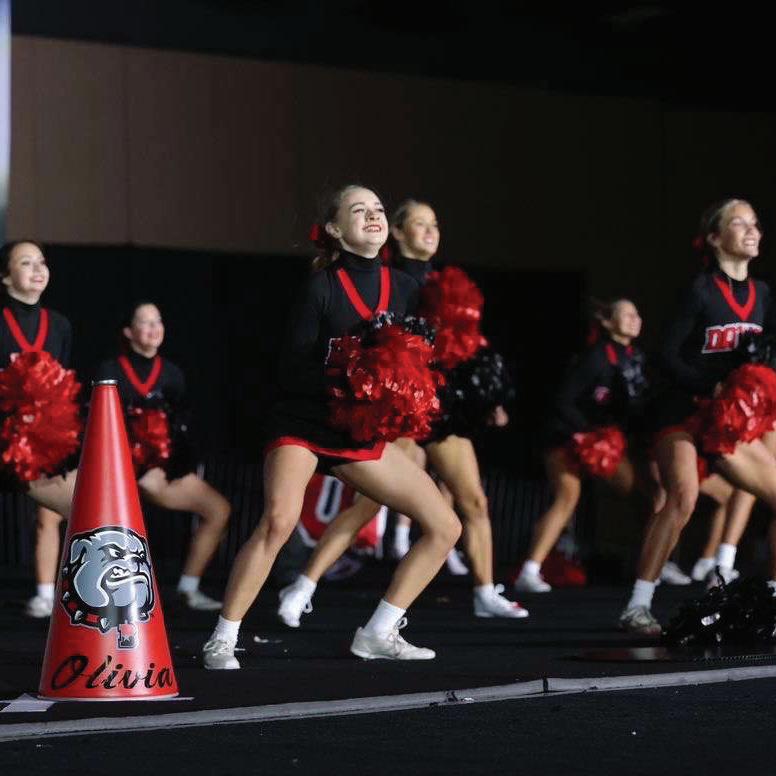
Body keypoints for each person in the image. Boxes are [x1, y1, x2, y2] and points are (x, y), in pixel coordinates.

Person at [202, 185, 461, 669]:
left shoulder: (405, 286)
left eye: (378, 209)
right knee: (279, 521)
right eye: (359, 210)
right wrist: (355, 376)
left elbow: (413, 359)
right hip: (304, 424)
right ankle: (223, 637)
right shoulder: (319, 287)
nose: (373, 215)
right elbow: (290, 371)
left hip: (355, 432)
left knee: (445, 526)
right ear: (337, 230)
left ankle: (379, 632)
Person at [277, 198, 525, 629]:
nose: (430, 232)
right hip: (400, 406)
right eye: (419, 224)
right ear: (398, 231)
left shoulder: (444, 282)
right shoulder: (386, 279)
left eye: (435, 224)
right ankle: (305, 584)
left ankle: (485, 592)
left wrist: (488, 397)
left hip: (442, 407)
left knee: (473, 500)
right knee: (369, 503)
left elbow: (462, 348)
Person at [619, 197, 776, 634]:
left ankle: (772, 603)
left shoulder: (763, 294)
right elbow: (666, 356)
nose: (752, 229)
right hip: (683, 411)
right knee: (683, 498)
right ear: (714, 238)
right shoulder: (700, 290)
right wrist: (710, 385)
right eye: (738, 223)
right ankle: (637, 605)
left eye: (755, 223)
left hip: (726, 419)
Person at [91, 301, 232, 611]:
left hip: (158, 471)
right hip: (115, 472)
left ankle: (188, 588)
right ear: (129, 331)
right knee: (56, 513)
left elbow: (180, 429)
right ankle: (71, 593)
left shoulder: (172, 373)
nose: (153, 328)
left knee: (219, 510)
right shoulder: (110, 370)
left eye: (158, 321)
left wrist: (171, 464)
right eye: (145, 322)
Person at [513, 298, 656, 593]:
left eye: (637, 314)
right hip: (566, 437)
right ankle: (530, 570)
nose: (635, 319)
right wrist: (587, 433)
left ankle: (653, 564)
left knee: (645, 494)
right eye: (627, 314)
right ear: (607, 322)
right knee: (567, 497)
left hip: (602, 442)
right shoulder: (596, 357)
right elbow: (563, 401)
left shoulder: (636, 358)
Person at [0, 241, 79, 618]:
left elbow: (63, 385)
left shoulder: (60, 324)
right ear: (5, 276)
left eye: (42, 262)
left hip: (45, 442)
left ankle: (64, 597)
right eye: (25, 262)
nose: (37, 269)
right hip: (6, 440)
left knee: (89, 508)